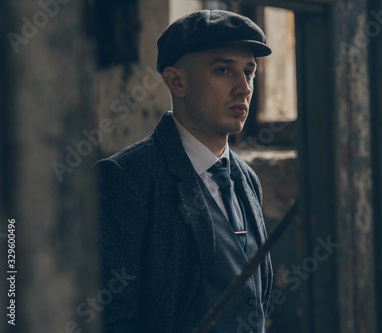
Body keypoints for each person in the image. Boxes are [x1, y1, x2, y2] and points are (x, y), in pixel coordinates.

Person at [96, 9, 273, 333]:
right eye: (224, 70)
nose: (244, 87)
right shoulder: (124, 179)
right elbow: (112, 320)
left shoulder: (247, 179)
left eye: (249, 72)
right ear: (177, 81)